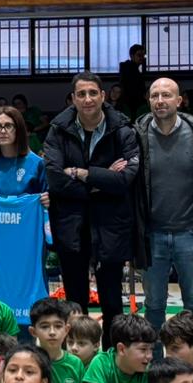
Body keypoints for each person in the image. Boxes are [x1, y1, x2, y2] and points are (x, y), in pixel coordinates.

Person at [44, 73, 138, 326]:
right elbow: (55, 178)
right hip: (70, 225)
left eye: (93, 93)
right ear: (73, 99)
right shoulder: (57, 131)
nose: (88, 99)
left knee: (112, 301)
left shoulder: (123, 130)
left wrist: (81, 173)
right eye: (82, 94)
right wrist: (103, 180)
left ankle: (112, 350)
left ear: (103, 96)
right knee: (74, 303)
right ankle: (77, 350)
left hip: (111, 225)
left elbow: (125, 179)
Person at [134, 78, 193, 330]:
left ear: (179, 101)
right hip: (152, 234)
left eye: (166, 95)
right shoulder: (137, 136)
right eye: (154, 96)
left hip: (190, 233)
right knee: (154, 304)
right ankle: (153, 355)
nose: (160, 101)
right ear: (149, 101)